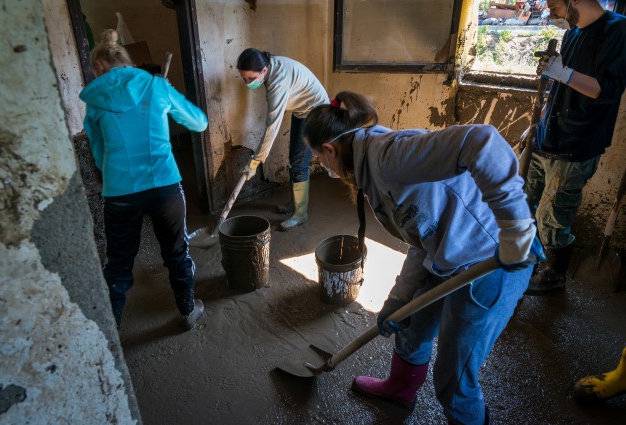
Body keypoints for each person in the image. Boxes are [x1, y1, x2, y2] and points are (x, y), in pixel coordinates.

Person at [303, 91, 544, 425]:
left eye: (318, 157)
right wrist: (398, 299)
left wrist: (515, 228)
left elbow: (481, 140)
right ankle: (400, 389)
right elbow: (420, 236)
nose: (322, 164)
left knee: (454, 378)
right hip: (446, 252)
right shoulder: (370, 172)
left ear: (329, 150)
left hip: (491, 262)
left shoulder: (388, 155)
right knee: (411, 325)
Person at [80, 29, 208, 330]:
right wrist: (167, 91)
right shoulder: (155, 86)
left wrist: (115, 173)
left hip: (120, 193)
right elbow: (199, 123)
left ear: (98, 66)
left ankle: (112, 331)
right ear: (128, 61)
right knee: (177, 252)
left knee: (118, 263)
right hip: (165, 186)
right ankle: (188, 311)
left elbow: (98, 153)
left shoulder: (96, 99)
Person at [525, 0, 626, 295]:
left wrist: (564, 74)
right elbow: (558, 90)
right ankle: (529, 262)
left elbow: (608, 90)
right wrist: (538, 122)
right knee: (525, 205)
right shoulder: (572, 33)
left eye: (555, 4)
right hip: (546, 136)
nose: (550, 12)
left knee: (552, 217)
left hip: (577, 143)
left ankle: (555, 275)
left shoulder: (617, 30)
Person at [236, 48, 329, 230]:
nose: (247, 83)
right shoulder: (269, 64)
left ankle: (300, 214)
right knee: (294, 159)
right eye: (244, 78)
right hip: (303, 110)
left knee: (299, 162)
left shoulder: (278, 83)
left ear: (263, 70)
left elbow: (272, 127)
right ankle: (296, 203)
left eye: (251, 79)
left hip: (316, 114)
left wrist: (255, 162)